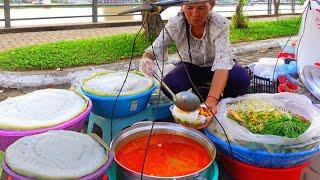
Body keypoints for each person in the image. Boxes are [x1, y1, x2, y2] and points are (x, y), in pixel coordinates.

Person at [139, 0, 250, 114]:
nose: (195, 14)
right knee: (170, 84)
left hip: (217, 66)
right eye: (189, 8)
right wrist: (146, 59)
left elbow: (222, 63)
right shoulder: (176, 23)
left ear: (211, 5)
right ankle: (199, 93)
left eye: (201, 8)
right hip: (190, 65)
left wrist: (211, 100)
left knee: (240, 79)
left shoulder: (220, 24)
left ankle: (222, 104)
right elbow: (154, 48)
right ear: (182, 6)